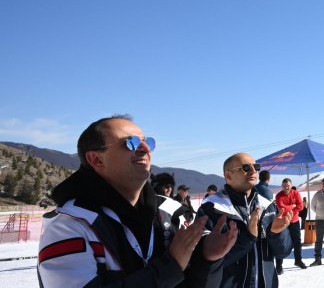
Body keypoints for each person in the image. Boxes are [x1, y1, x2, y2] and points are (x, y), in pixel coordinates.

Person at [38, 115, 236, 287]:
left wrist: (208, 259)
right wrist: (171, 266)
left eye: (147, 142)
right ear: (96, 160)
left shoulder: (173, 211)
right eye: (129, 142)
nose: (144, 149)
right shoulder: (70, 224)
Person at [191, 153, 293, 288]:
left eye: (256, 167)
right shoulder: (211, 209)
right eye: (245, 167)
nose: (253, 171)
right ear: (228, 175)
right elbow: (204, 260)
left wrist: (277, 234)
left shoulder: (267, 206)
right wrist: (247, 237)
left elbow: (283, 252)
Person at [274, 178, 307, 273]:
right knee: (281, 243)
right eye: (284, 186)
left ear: (291, 185)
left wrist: (291, 210)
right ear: (282, 186)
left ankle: (298, 260)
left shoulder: (296, 193)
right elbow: (281, 208)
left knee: (297, 242)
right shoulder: (279, 195)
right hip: (283, 222)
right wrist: (293, 206)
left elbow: (300, 206)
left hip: (294, 221)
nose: (286, 188)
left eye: (288, 186)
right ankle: (279, 266)